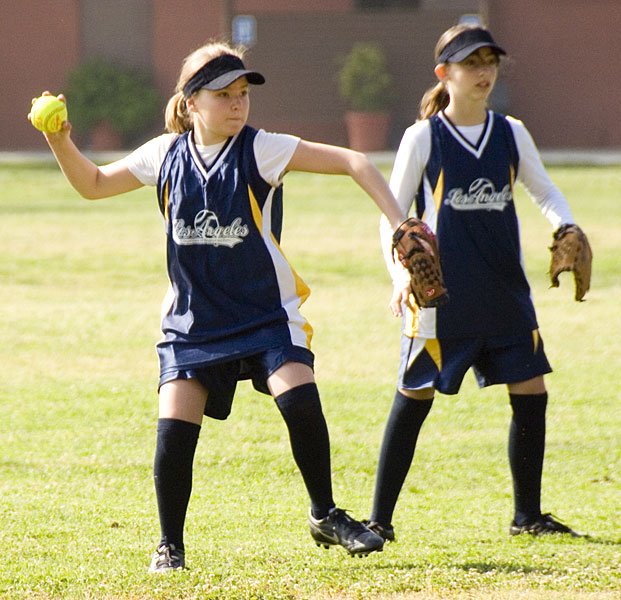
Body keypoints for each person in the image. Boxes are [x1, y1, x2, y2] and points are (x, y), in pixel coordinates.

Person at [33, 41, 406, 571]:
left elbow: (355, 161)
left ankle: (324, 514)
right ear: (191, 103)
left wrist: (399, 224)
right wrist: (59, 140)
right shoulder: (165, 155)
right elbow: (92, 184)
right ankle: (170, 546)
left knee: (299, 398)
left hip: (265, 313)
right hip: (193, 323)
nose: (237, 104)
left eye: (242, 93)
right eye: (222, 95)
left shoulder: (261, 149)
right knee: (174, 433)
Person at [365, 24, 584, 543]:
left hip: (505, 292)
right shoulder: (424, 137)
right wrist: (398, 276)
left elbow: (544, 190)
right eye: (471, 63)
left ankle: (527, 516)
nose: (484, 72)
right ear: (444, 73)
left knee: (531, 391)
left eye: (490, 62)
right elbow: (390, 216)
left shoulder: (511, 132)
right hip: (440, 297)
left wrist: (566, 225)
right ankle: (379, 521)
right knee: (413, 398)